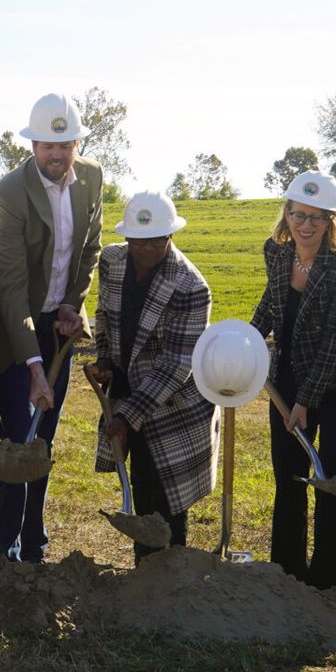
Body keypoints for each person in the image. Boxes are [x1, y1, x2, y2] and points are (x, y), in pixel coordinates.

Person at [0, 92, 105, 562]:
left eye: (64, 144)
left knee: (45, 434)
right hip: (11, 323)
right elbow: (11, 287)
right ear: (31, 146)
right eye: (46, 146)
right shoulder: (8, 195)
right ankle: (5, 551)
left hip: (58, 323)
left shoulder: (90, 178)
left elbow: (89, 247)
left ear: (76, 143)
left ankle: (34, 545)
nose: (56, 154)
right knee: (19, 433)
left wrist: (73, 304)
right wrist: (33, 366)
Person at [247, 171, 336, 588]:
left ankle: (327, 583)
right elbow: (272, 302)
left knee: (332, 483)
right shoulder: (277, 252)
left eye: (316, 218)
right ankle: (286, 577)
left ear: (331, 222)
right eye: (298, 214)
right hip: (288, 378)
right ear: (285, 214)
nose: (305, 225)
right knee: (288, 480)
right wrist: (244, 343)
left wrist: (305, 400)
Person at [83, 192, 214, 562]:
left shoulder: (190, 286)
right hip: (128, 393)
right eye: (138, 241)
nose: (146, 248)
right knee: (142, 487)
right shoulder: (112, 260)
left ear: (170, 237)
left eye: (157, 240)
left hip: (173, 404)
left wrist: (127, 416)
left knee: (169, 498)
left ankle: (172, 578)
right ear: (127, 239)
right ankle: (145, 577)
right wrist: (106, 359)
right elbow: (105, 316)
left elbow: (176, 364)